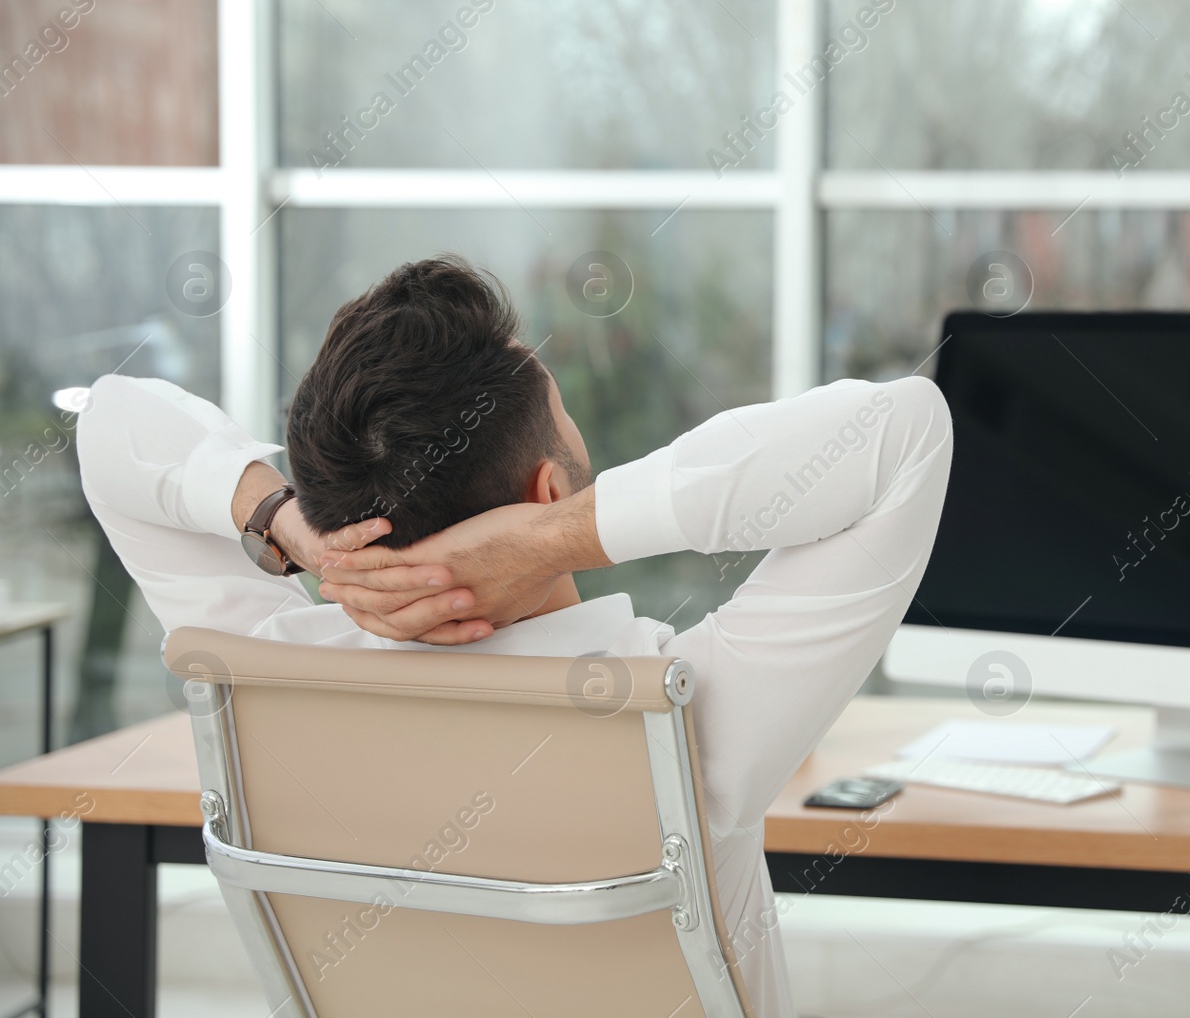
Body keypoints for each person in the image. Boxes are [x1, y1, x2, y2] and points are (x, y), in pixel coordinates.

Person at [77, 255, 952, 1018]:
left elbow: (110, 420)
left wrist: (284, 522)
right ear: (546, 489)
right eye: (564, 414)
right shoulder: (682, 714)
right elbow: (907, 430)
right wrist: (562, 538)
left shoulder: (272, 671)